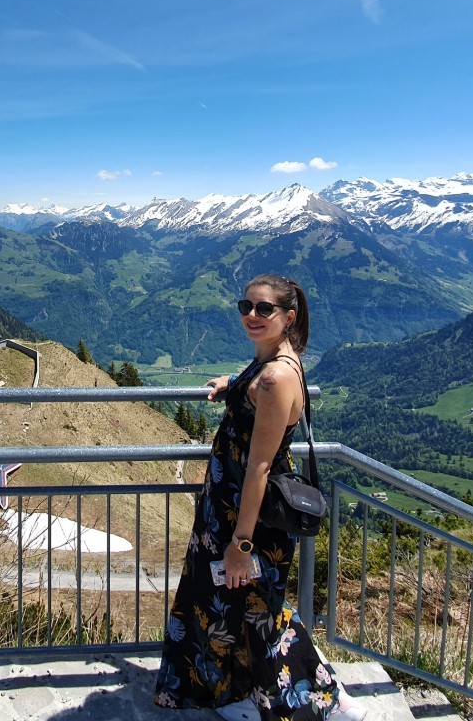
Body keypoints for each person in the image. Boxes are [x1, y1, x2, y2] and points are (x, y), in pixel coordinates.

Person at [154, 274, 365, 721]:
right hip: (228, 505)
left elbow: (260, 466)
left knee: (253, 606)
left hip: (245, 514)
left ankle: (320, 697)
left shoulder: (274, 377)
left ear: (288, 316)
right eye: (245, 306)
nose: (251, 315)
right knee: (238, 603)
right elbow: (258, 394)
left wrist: (240, 544)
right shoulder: (272, 362)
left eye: (264, 309)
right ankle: (245, 695)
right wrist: (234, 382)